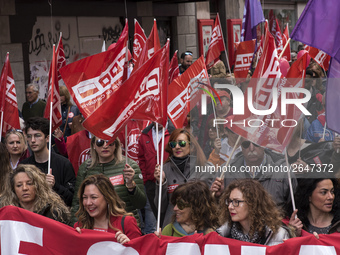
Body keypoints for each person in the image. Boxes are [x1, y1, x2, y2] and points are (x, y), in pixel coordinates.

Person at [71, 136, 146, 225]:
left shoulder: (129, 166)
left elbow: (140, 204)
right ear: (93, 145)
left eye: (110, 142)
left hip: (124, 226)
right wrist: (75, 227)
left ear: (116, 144)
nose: (105, 146)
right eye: (100, 142)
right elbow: (77, 203)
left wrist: (131, 185)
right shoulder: (86, 167)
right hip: (94, 227)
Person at [210, 139, 297, 208]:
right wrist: (218, 197)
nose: (251, 149)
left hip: (275, 228)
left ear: (264, 144)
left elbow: (294, 206)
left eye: (256, 143)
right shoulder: (225, 171)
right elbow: (215, 211)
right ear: (240, 144)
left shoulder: (284, 171)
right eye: (246, 144)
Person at [154, 128, 210, 228]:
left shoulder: (204, 167)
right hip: (172, 227)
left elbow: (208, 203)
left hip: (197, 226)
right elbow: (160, 208)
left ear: (192, 147)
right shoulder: (164, 169)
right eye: (173, 144)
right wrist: (161, 183)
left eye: (182, 143)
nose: (177, 147)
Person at [216, 179, 292, 245]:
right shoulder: (221, 235)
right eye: (229, 201)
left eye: (236, 202)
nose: (230, 207)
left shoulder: (278, 235)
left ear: (252, 204)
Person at [20, 117, 76, 206]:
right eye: (29, 136)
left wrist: (55, 186)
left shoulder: (64, 164)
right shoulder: (24, 166)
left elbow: (72, 199)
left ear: (47, 138)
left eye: (37, 135)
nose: (33, 140)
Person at [74, 174, 142, 244]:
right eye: (85, 197)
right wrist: (75, 242)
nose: (88, 203)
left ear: (107, 198)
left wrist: (129, 244)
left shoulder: (127, 223)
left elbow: (141, 251)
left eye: (93, 197)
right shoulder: (79, 226)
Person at [0, 164, 70, 224]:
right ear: (13, 189)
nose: (24, 188)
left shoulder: (54, 212)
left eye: (29, 183)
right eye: (19, 185)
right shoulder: (6, 213)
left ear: (38, 186)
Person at [138, 122, 170, 234]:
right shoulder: (144, 135)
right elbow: (141, 158)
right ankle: (151, 238)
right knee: (151, 210)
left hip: (168, 181)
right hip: (151, 182)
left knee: (167, 211)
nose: (159, 121)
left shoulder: (172, 133)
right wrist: (145, 179)